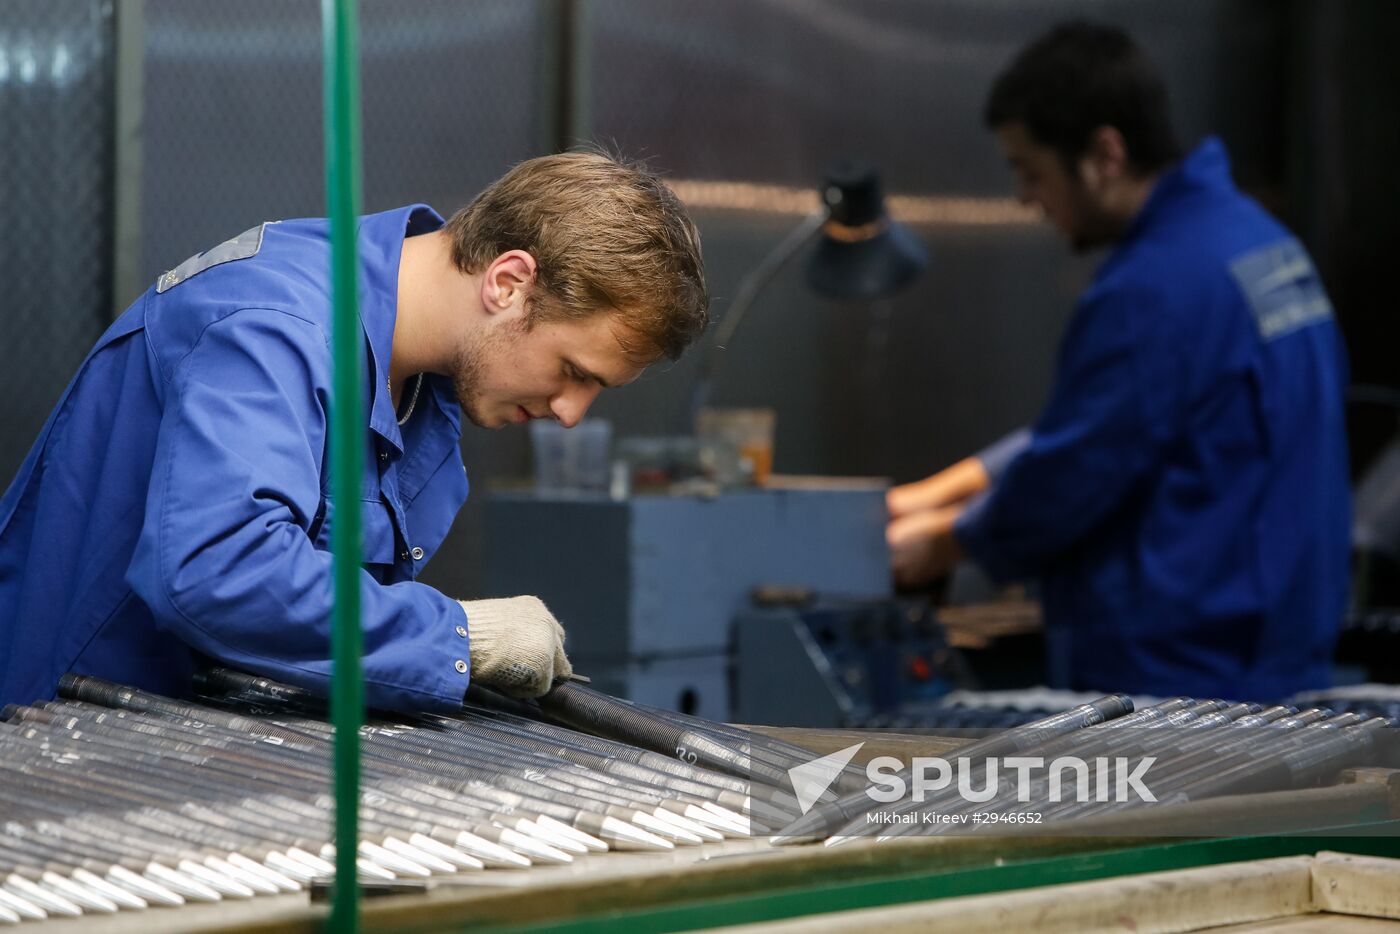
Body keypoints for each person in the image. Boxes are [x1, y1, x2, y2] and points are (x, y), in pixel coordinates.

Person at [0, 151, 708, 713]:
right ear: (508, 282)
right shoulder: (275, 327)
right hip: (57, 741)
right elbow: (218, 574)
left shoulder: (423, 388)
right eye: (572, 370)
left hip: (187, 739)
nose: (571, 411)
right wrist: (460, 637)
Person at [886, 22, 1349, 700]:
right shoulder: (1255, 242)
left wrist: (938, 544)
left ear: (1104, 153)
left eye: (1028, 169)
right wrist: (927, 501)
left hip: (1184, 680)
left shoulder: (1155, 286)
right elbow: (1103, 429)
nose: (1023, 197)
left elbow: (1073, 472)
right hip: (1276, 651)